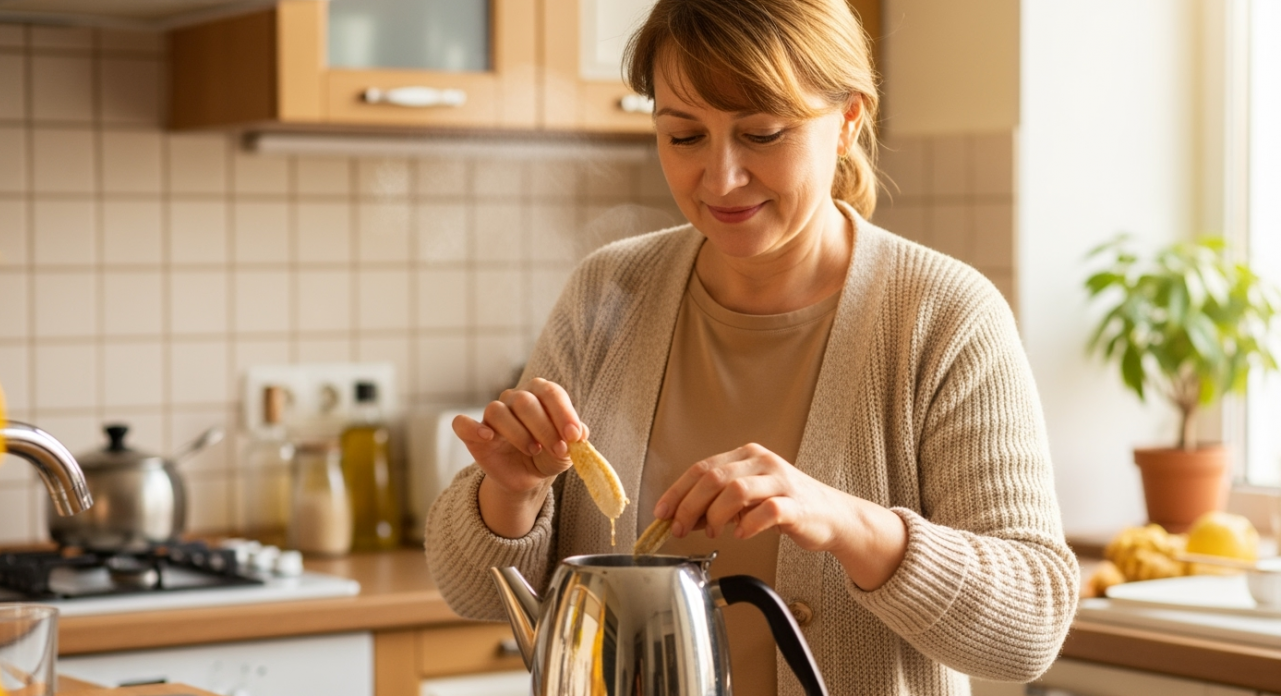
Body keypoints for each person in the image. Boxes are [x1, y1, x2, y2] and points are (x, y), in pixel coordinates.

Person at [425, 0, 1080, 693]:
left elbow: (1032, 627)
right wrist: (512, 491)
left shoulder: (943, 315)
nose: (721, 178)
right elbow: (472, 591)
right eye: (684, 138)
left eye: (762, 134)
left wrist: (845, 521)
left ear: (848, 119)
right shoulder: (607, 291)